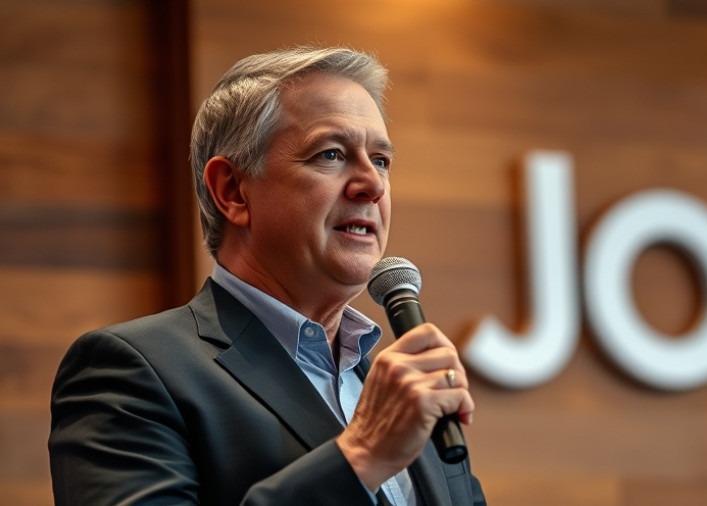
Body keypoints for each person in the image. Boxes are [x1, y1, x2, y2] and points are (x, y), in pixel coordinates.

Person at [48, 46, 487, 506]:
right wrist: (362, 454)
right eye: (331, 154)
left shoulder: (401, 394)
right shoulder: (131, 371)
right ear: (233, 191)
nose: (373, 185)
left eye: (380, 160)